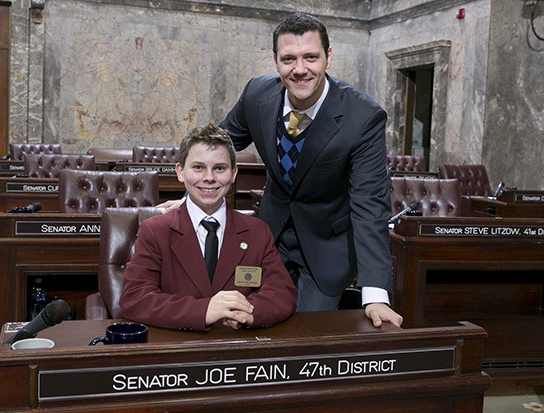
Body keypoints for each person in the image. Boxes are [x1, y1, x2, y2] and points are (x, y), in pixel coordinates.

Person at [219, 12, 402, 327]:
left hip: (325, 249)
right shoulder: (256, 95)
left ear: (328, 57)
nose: (300, 69)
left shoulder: (363, 118)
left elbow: (370, 205)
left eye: (311, 57)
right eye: (288, 58)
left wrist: (375, 296)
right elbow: (216, 147)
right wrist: (189, 199)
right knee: (244, 320)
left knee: (301, 335)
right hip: (270, 235)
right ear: (275, 61)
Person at [119, 124, 297, 331]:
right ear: (180, 172)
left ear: (233, 173)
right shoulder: (155, 231)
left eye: (219, 168)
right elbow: (135, 298)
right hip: (178, 348)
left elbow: (283, 292)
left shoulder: (257, 231)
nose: (209, 178)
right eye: (198, 167)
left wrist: (249, 311)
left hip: (237, 348)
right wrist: (204, 310)